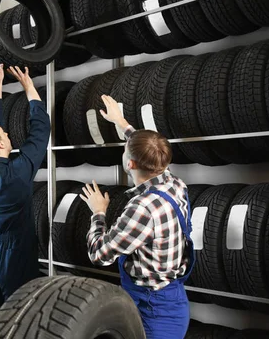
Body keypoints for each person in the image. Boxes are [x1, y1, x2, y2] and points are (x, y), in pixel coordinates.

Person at [79, 94, 195, 339]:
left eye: (125, 150)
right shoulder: (174, 183)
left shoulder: (142, 208)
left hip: (152, 312)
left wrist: (99, 212)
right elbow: (149, 148)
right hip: (173, 298)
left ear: (130, 164)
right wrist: (121, 122)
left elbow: (99, 255)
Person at [0, 56, 50, 339]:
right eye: (4, 132)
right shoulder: (16, 174)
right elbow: (41, 131)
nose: (6, 130)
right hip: (15, 254)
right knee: (20, 320)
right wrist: (30, 88)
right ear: (2, 143)